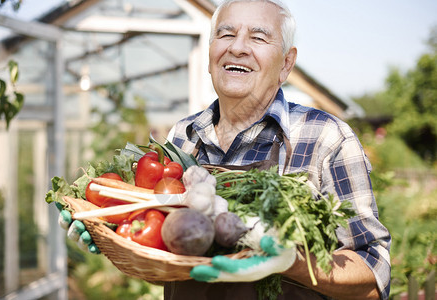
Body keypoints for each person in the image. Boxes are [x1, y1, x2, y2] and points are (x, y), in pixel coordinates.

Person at [165, 0, 391, 299]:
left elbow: (373, 272)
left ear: (286, 63)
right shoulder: (183, 135)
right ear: (209, 57)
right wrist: (118, 230)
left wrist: (293, 262)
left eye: (258, 37)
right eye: (225, 34)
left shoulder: (325, 137)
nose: (238, 47)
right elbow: (169, 259)